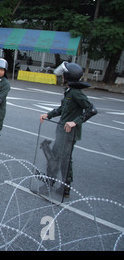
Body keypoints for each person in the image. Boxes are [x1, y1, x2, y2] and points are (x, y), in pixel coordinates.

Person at [39, 61, 97, 198]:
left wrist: (75, 122)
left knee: (58, 158)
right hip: (62, 131)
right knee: (62, 158)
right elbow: (62, 109)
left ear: (68, 76)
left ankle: (53, 183)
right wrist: (48, 114)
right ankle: (63, 187)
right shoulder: (69, 91)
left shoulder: (76, 93)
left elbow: (92, 109)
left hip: (69, 133)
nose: (62, 77)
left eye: (64, 75)